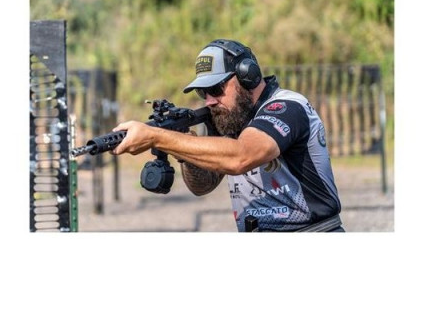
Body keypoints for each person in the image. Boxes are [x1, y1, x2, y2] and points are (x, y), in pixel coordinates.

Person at [112, 39, 344, 232]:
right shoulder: (232, 117)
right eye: (203, 92)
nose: (209, 101)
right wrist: (182, 150)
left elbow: (241, 156)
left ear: (247, 76)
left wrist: (158, 137)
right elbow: (202, 186)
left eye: (215, 89)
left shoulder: (287, 107)